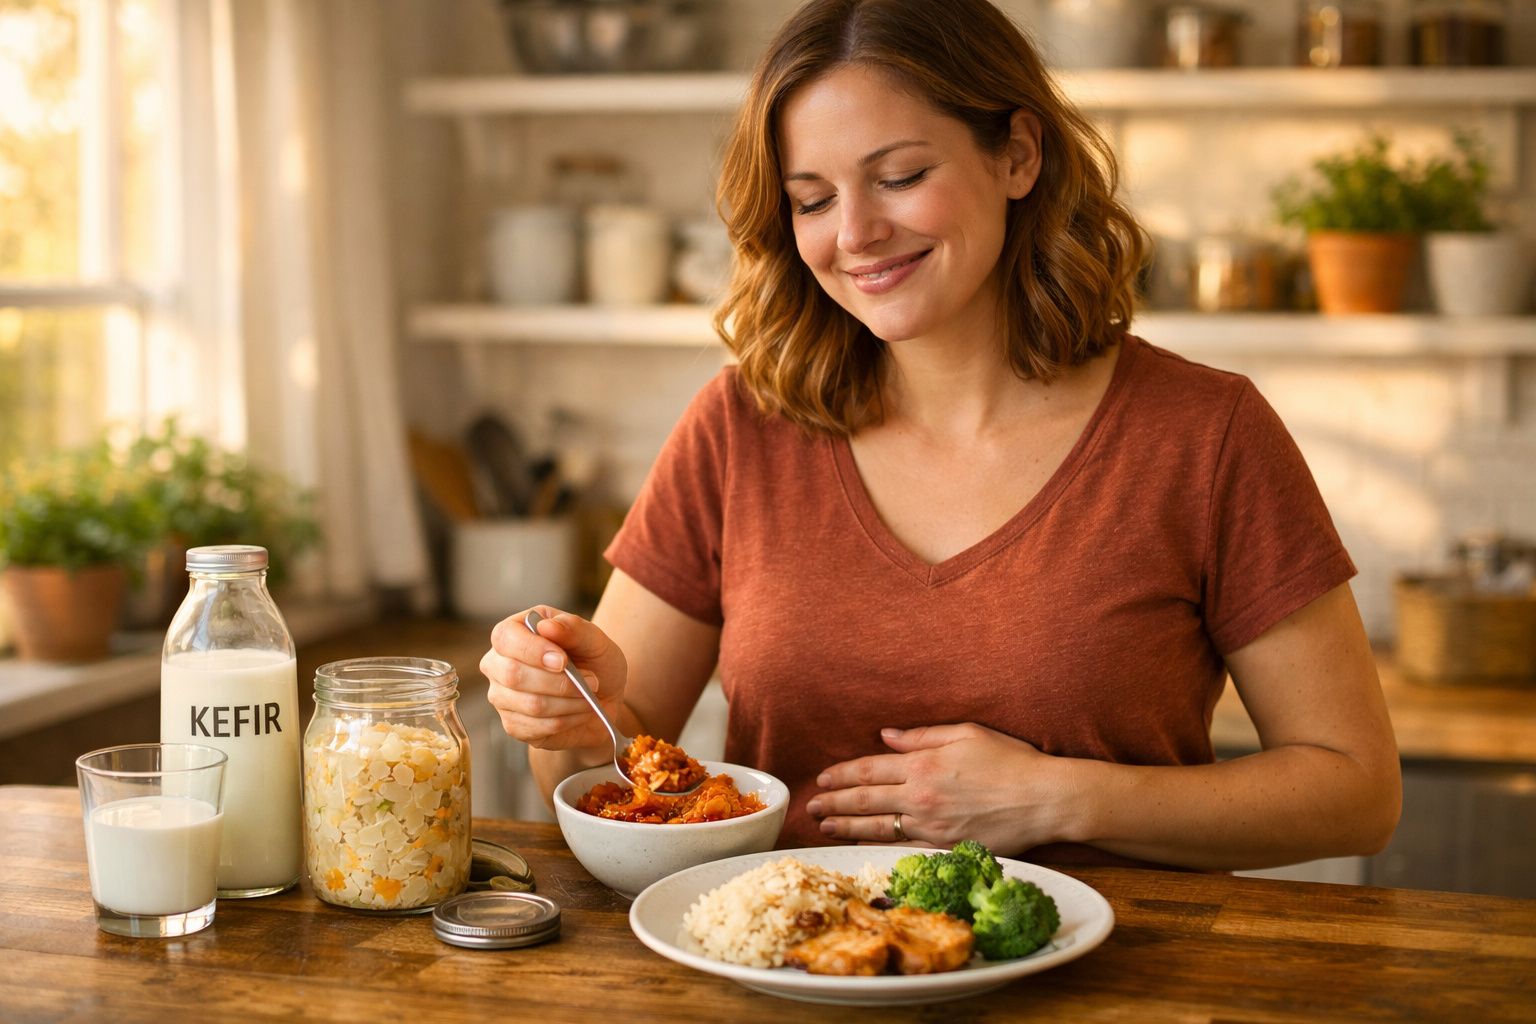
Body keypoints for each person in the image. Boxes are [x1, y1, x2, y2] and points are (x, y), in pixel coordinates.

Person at [481, 0, 1401, 871]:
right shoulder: (738, 427)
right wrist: (570, 717)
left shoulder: (1205, 434)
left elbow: (1356, 792)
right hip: (794, 975)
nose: (857, 234)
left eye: (901, 176)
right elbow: (605, 774)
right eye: (811, 199)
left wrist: (1057, 799)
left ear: (1018, 155)